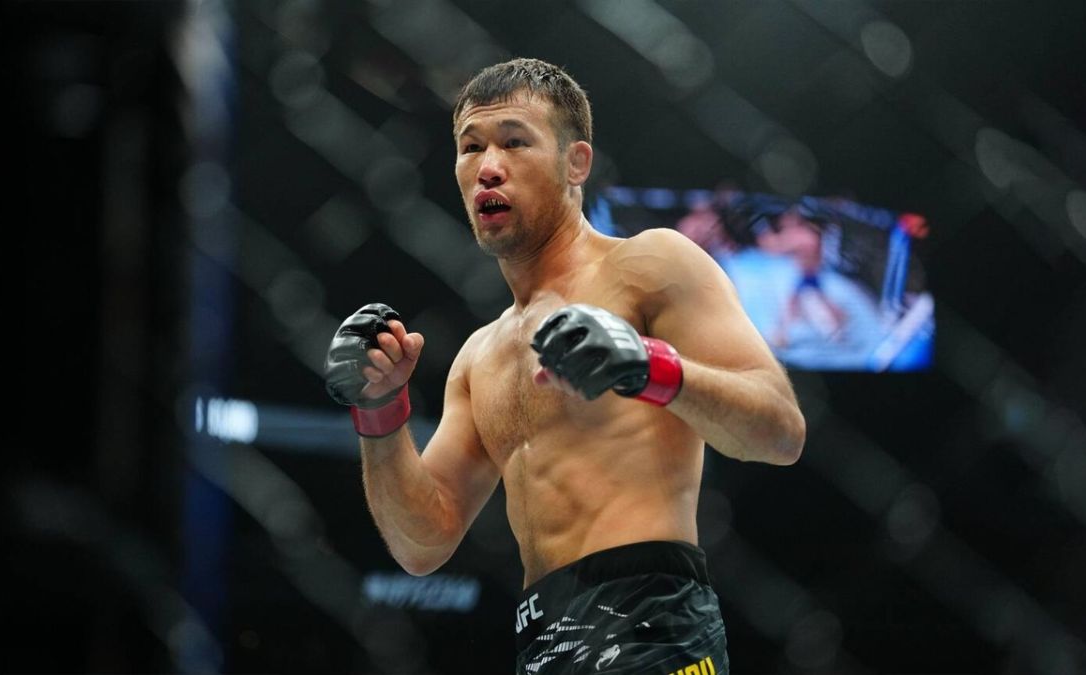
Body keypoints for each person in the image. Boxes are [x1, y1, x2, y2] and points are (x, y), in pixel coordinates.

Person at [324, 58, 805, 675]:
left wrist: (647, 367)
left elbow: (781, 431)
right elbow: (422, 543)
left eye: (514, 142)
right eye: (471, 147)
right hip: (543, 640)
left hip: (653, 626)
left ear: (576, 163)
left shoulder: (649, 265)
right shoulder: (478, 357)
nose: (488, 166)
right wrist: (378, 409)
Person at [755, 205, 848, 348]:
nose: (782, 222)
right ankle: (781, 334)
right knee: (793, 304)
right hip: (807, 274)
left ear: (795, 220)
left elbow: (774, 248)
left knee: (800, 304)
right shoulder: (806, 234)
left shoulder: (803, 236)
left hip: (807, 275)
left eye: (786, 219)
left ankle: (836, 328)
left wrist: (762, 232)